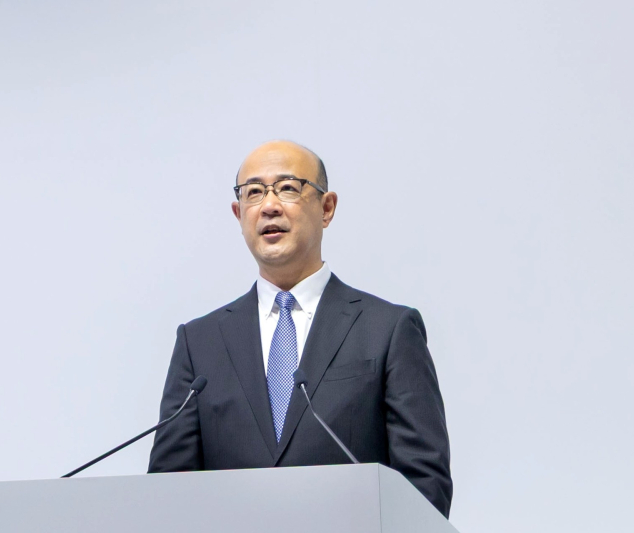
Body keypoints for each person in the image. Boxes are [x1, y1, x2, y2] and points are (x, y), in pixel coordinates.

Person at [147, 140, 453, 517]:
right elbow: (165, 496)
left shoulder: (388, 331)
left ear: (327, 208)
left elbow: (424, 488)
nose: (269, 205)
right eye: (253, 192)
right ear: (238, 214)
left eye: (288, 188)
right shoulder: (199, 343)